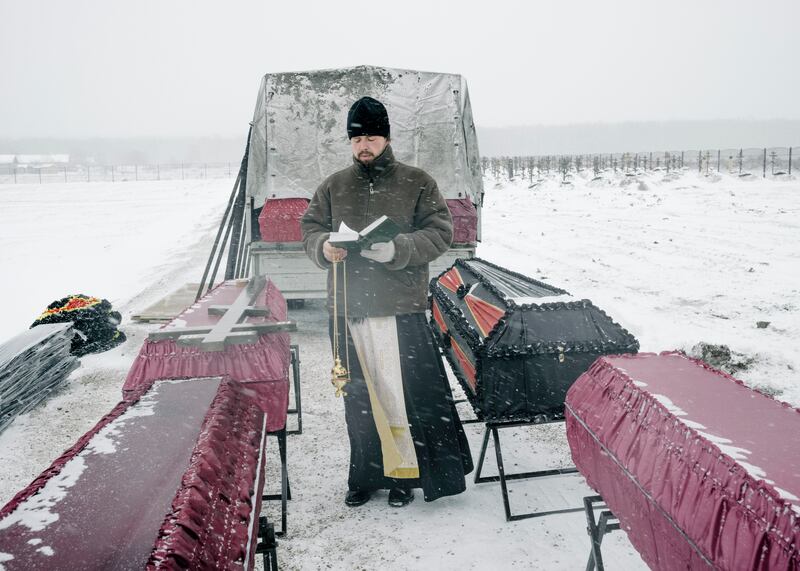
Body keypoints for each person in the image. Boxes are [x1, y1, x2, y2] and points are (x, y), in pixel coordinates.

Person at [301, 96, 473, 508]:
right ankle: (365, 475)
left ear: (387, 138)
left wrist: (399, 248)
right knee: (359, 400)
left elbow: (439, 233)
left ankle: (405, 477)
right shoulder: (334, 186)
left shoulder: (417, 181)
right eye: (358, 138)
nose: (365, 145)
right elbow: (310, 229)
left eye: (372, 137)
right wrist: (323, 247)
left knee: (400, 397)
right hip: (348, 308)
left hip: (400, 309)